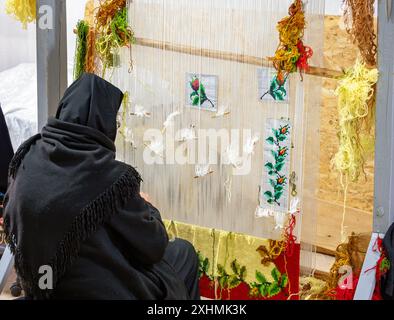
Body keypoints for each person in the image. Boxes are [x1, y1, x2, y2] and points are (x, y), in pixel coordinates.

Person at [3, 73, 200, 300]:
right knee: (183, 253)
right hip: (99, 292)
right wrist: (148, 207)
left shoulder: (27, 156)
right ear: (102, 122)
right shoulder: (110, 178)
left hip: (43, 286)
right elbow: (154, 245)